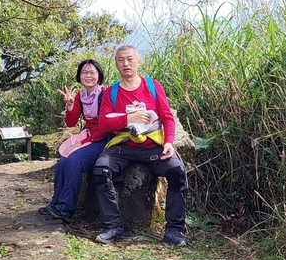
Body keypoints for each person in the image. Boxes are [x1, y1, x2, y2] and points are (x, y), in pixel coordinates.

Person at [90, 45, 188, 246]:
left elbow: (167, 117)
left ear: (138, 61)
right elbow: (104, 123)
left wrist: (169, 142)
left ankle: (174, 230)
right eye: (120, 60)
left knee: (177, 171)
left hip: (152, 144)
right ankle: (113, 226)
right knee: (100, 170)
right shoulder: (111, 92)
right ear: (116, 63)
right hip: (123, 146)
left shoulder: (152, 86)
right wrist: (128, 118)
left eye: (130, 59)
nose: (125, 64)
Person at [39, 59, 108, 223]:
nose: (88, 75)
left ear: (99, 75)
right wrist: (70, 106)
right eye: (84, 72)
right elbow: (71, 122)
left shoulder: (105, 94)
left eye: (92, 72)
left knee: (74, 160)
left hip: (103, 139)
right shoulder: (81, 95)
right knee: (63, 161)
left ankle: (67, 208)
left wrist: (82, 143)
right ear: (79, 76)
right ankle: (57, 202)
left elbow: (105, 127)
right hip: (89, 137)